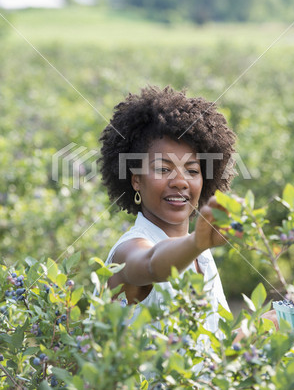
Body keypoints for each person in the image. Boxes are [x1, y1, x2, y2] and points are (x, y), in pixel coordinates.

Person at [97, 85, 277, 342]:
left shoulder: (201, 259)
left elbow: (207, 351)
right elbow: (151, 263)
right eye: (162, 169)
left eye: (192, 171)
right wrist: (196, 242)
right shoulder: (129, 249)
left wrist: (262, 327)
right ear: (136, 180)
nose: (180, 181)